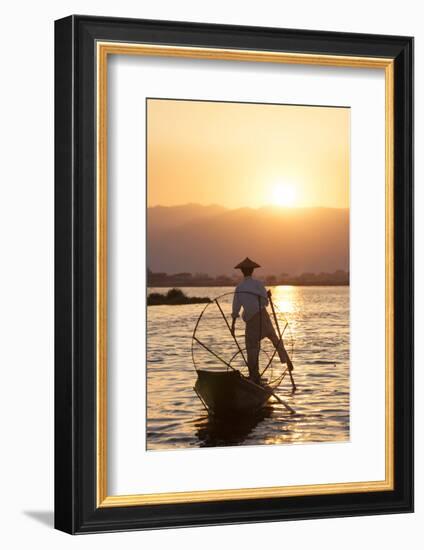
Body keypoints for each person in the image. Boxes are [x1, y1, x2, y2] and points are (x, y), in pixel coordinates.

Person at [230, 257, 293, 383]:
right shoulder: (258, 284)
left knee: (251, 348)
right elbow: (265, 302)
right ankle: (287, 361)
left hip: (251, 321)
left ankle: (254, 375)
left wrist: (232, 326)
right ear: (252, 271)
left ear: (242, 271)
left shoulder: (239, 287)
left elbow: (235, 309)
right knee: (274, 338)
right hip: (263, 316)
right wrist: (267, 297)